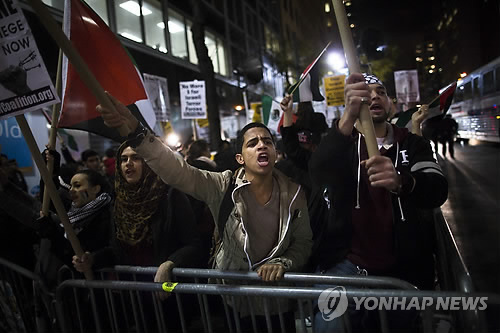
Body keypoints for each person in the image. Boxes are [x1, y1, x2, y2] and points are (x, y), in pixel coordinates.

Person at [96, 93, 313, 330]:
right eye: (253, 143)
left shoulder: (294, 193)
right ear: (240, 158)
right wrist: (137, 133)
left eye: (267, 141)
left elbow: (302, 243)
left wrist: (282, 263)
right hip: (233, 302)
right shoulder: (222, 186)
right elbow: (178, 171)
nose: (262, 145)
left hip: (278, 303)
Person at [309, 73, 448, 332]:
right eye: (366, 93)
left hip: (402, 270)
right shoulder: (345, 144)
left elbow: (437, 188)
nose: (374, 96)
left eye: (381, 92)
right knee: (331, 325)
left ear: (391, 104)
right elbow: (318, 170)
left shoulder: (413, 143)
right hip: (347, 266)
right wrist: (348, 117)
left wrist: (402, 182)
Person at [36, 169, 112, 288]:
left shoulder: (109, 214)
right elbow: (49, 194)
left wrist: (93, 259)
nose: (71, 190)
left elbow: (111, 250)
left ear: (95, 189)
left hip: (104, 287)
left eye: (77, 185)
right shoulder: (72, 214)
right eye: (71, 186)